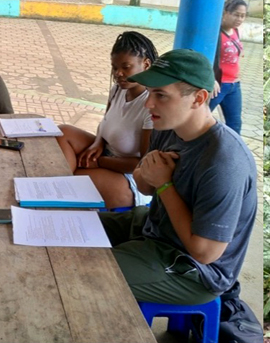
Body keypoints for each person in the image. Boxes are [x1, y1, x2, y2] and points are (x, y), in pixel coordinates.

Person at [97, 49, 257, 305]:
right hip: (156, 228)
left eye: (161, 95)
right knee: (73, 229)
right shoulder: (168, 126)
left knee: (85, 270)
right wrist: (153, 178)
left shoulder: (223, 162)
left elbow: (205, 252)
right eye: (150, 92)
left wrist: (165, 185)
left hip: (194, 271)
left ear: (198, 98)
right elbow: (144, 185)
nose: (149, 104)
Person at [56, 32, 158, 209]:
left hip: (130, 176)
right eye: (114, 67)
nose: (118, 73)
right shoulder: (118, 89)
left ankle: (60, 186)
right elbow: (105, 123)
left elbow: (141, 164)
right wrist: (98, 143)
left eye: (126, 67)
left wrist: (100, 162)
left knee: (73, 179)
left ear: (146, 64)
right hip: (108, 153)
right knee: (63, 131)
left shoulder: (150, 105)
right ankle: (59, 181)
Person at [209, 0, 248, 134]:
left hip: (234, 85)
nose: (239, 19)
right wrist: (211, 79)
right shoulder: (215, 33)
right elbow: (207, 58)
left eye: (243, 16)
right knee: (201, 118)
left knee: (235, 123)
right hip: (217, 85)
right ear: (225, 12)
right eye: (236, 15)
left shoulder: (235, 31)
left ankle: (231, 152)